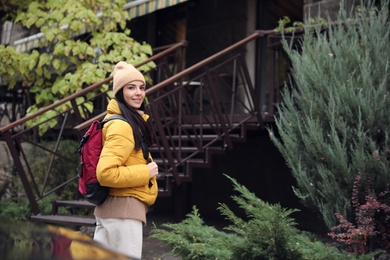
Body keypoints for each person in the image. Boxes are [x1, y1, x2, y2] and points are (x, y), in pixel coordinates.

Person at [93, 61, 159, 259]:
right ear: (120, 92)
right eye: (131, 87)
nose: (138, 93)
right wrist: (146, 172)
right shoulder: (122, 126)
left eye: (141, 87)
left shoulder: (122, 121)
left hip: (110, 211)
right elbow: (106, 173)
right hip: (124, 211)